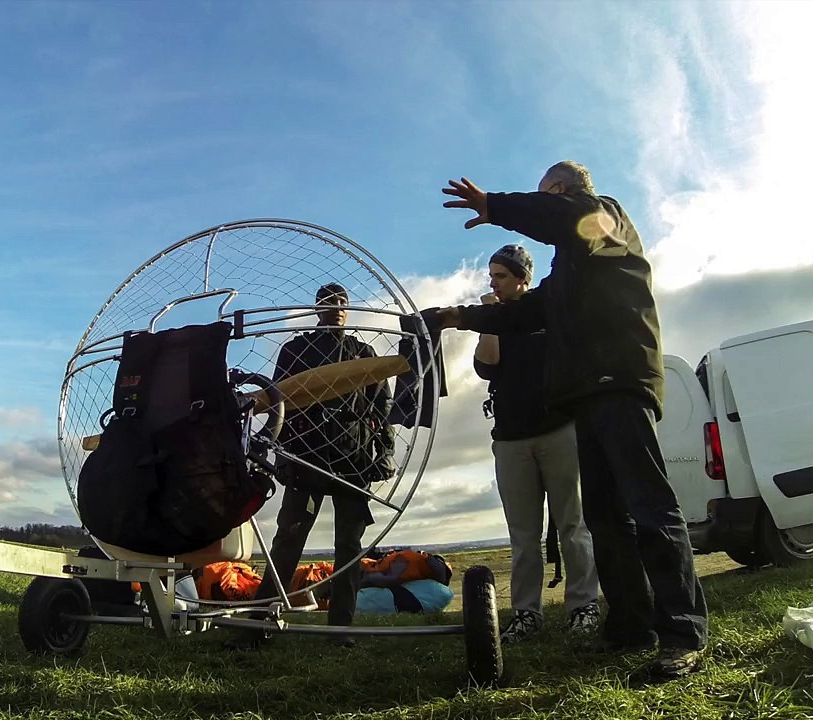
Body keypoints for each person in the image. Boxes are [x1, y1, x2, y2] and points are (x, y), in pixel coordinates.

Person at [423, 161, 708, 679]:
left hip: (619, 384)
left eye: (548, 197)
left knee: (650, 508)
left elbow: (567, 216)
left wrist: (495, 205)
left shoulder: (605, 220)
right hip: (584, 399)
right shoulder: (569, 273)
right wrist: (457, 316)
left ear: (562, 191)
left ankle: (683, 634)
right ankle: (630, 627)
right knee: (606, 518)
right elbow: (525, 312)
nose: (548, 207)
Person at [228, 283, 396, 649]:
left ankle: (341, 630)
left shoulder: (363, 353)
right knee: (288, 539)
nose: (336, 307)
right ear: (317, 308)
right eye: (328, 302)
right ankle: (259, 624)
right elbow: (278, 402)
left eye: (342, 302)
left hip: (353, 460)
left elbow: (382, 407)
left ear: (348, 309)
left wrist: (384, 452)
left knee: (349, 545)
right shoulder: (295, 350)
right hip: (306, 459)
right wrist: (280, 456)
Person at [473, 243, 601, 644]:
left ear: (522, 279)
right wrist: (491, 317)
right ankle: (526, 614)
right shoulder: (496, 319)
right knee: (523, 535)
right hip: (511, 440)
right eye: (491, 276)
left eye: (501, 276)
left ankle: (584, 606)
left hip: (559, 430)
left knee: (573, 524)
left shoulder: (548, 313)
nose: (493, 283)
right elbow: (486, 366)